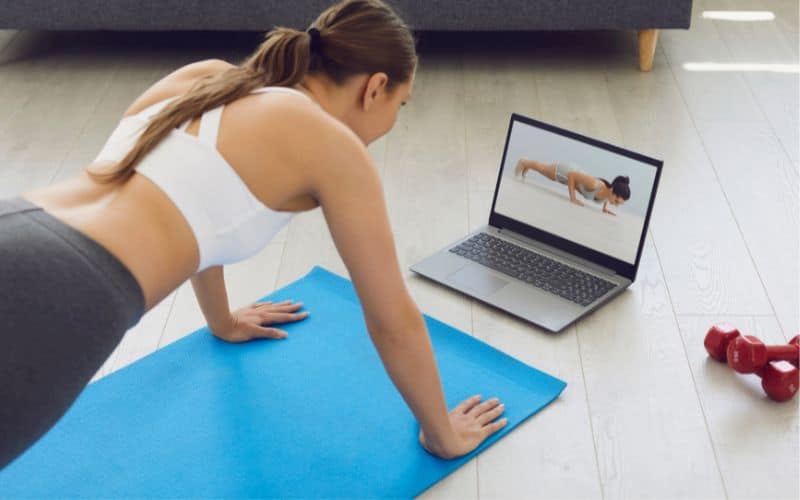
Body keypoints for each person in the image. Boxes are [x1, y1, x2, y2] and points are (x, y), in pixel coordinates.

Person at [0, 0, 509, 469]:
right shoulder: (331, 145)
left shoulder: (209, 78)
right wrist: (442, 433)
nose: (393, 120)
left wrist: (221, 320)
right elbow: (392, 318)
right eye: (402, 104)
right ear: (375, 88)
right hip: (67, 289)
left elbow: (190, 200)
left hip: (20, 221)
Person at [515, 157, 631, 216]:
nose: (615, 204)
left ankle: (527, 166)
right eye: (616, 201)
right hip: (567, 170)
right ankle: (525, 162)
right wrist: (573, 198)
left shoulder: (607, 195)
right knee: (544, 170)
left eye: (618, 203)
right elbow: (571, 175)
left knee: (544, 170)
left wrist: (605, 209)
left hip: (574, 175)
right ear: (612, 190)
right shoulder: (594, 184)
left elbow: (605, 198)